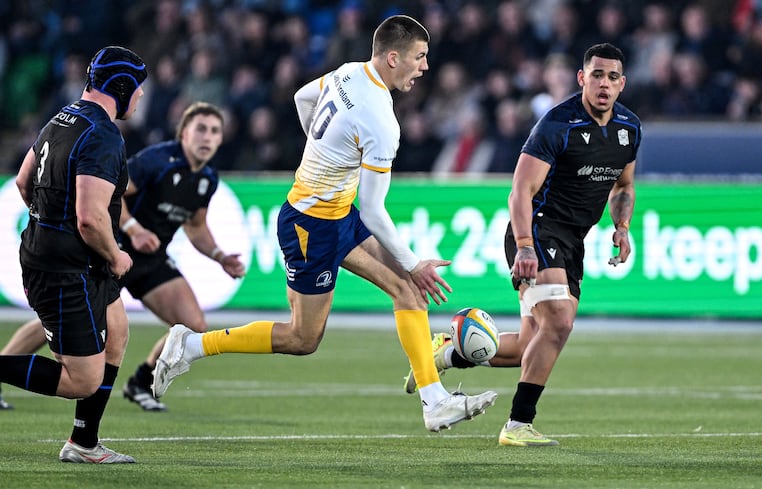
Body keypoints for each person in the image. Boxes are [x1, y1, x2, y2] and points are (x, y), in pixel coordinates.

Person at [152, 15, 497, 432]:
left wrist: (323, 150)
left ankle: (434, 401)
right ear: (393, 58)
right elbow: (373, 210)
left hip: (333, 214)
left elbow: (302, 98)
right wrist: (414, 260)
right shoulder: (382, 122)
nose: (425, 66)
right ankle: (190, 345)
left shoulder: (351, 71)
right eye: (419, 57)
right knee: (302, 338)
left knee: (408, 291)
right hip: (311, 227)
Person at [404, 43, 641, 446]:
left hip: (572, 242)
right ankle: (518, 425)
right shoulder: (557, 124)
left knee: (529, 345)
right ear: (582, 79)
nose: (604, 83)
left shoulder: (629, 129)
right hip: (536, 230)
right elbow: (520, 191)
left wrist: (622, 226)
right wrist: (527, 246)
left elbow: (624, 185)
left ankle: (446, 352)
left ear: (622, 83)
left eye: (612, 76)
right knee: (560, 323)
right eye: (596, 75)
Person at [0, 101, 245, 413]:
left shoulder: (208, 178)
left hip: (151, 261)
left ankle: (140, 382)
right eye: (200, 129)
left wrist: (220, 256)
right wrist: (134, 228)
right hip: (111, 251)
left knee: (192, 324)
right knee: (53, 326)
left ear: (222, 139)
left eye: (214, 131)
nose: (207, 137)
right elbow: (111, 195)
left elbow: (196, 226)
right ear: (183, 133)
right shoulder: (156, 160)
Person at [0, 46, 147, 463]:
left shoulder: (61, 118)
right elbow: (88, 218)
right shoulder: (103, 134)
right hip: (67, 266)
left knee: (116, 332)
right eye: (138, 90)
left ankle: (83, 444)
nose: (139, 98)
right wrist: (116, 256)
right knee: (82, 380)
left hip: (67, 258)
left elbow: (24, 181)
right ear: (123, 88)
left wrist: (49, 223)